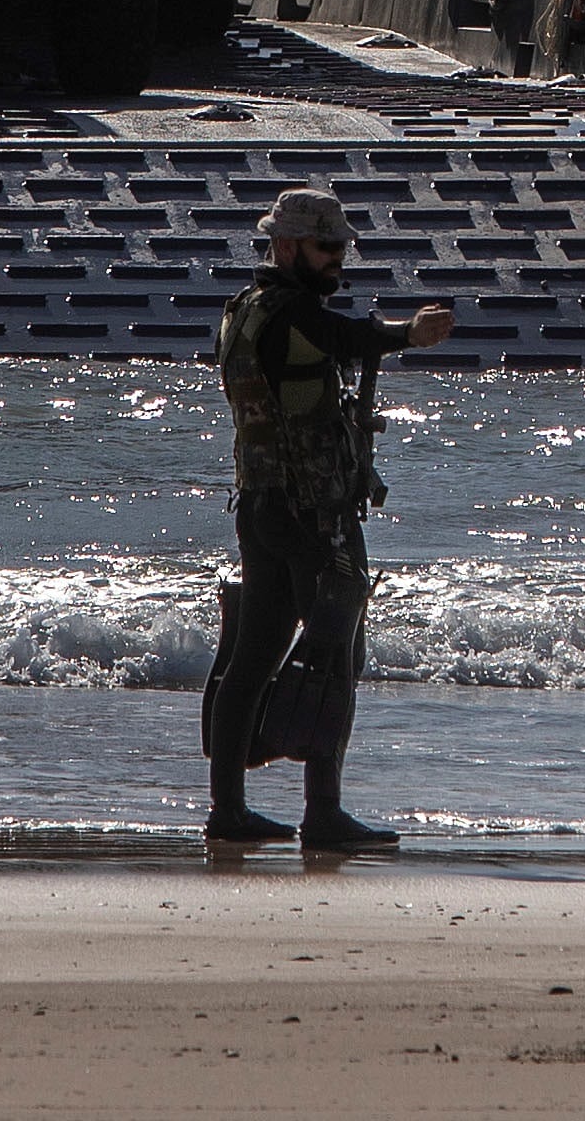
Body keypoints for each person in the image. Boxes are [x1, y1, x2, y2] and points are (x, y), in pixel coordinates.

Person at [206, 185, 456, 849]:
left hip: (259, 507)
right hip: (311, 516)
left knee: (254, 659)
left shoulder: (243, 311)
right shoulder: (293, 314)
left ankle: (228, 810)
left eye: (340, 248)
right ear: (285, 246)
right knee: (336, 654)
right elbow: (349, 337)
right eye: (324, 247)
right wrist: (409, 334)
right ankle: (323, 813)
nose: (334, 260)